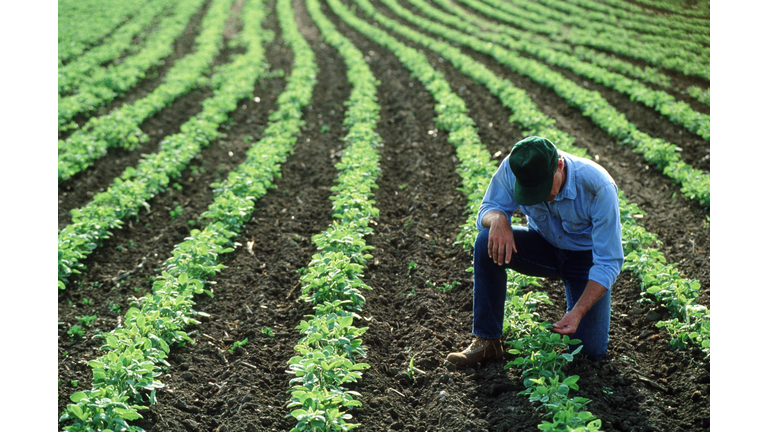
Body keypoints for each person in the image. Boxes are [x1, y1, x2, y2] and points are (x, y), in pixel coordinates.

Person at [445, 136, 623, 368]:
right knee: (485, 241)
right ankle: (487, 341)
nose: (539, 197)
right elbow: (488, 209)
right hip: (542, 247)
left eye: (543, 189)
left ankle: (583, 332)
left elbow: (608, 262)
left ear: (559, 165)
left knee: (588, 353)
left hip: (584, 261)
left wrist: (578, 311)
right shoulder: (516, 167)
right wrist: (498, 218)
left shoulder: (597, 187)